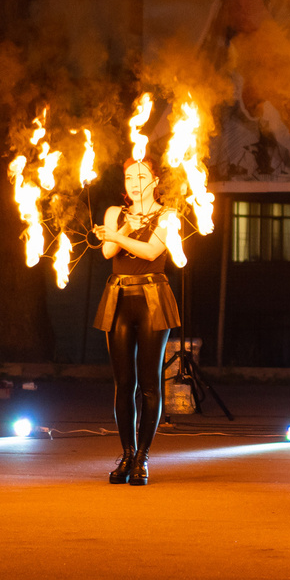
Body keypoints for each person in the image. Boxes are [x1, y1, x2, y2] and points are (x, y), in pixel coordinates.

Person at [95, 159, 184, 486]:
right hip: (118, 296)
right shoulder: (114, 213)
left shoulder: (168, 215)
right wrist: (122, 231)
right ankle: (127, 454)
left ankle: (143, 457)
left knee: (149, 383)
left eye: (142, 176)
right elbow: (106, 252)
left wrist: (120, 236)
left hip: (152, 298)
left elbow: (150, 252)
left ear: (155, 180)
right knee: (123, 383)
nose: (135, 182)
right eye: (130, 176)